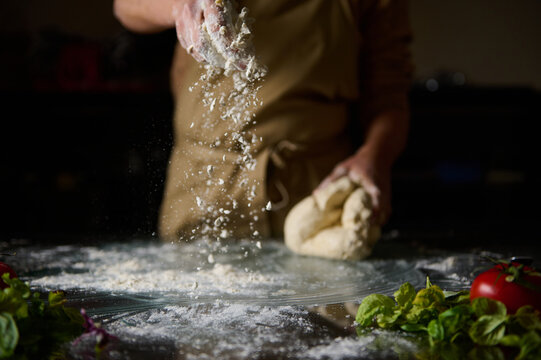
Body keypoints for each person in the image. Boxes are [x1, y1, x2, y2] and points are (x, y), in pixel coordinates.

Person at [113, 0, 412, 241]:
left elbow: (388, 91)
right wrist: (180, 6)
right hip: (203, 181)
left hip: (315, 188)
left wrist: (375, 156)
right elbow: (125, 5)